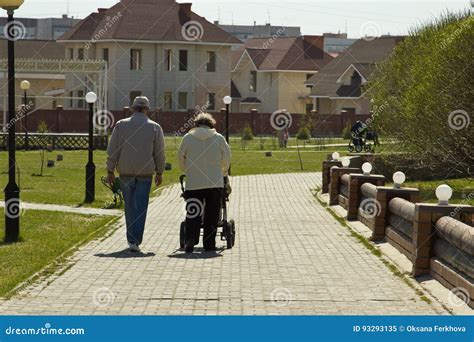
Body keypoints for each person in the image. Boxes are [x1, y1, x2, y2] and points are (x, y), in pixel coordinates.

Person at [106, 96, 166, 252]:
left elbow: (113, 150)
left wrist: (110, 170)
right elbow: (159, 153)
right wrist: (159, 172)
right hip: (145, 174)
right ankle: (135, 240)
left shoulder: (120, 125)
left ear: (132, 108)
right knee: (141, 207)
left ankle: (131, 238)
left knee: (130, 207)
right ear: (147, 109)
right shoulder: (155, 127)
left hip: (125, 173)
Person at [178, 113, 231, 253]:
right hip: (214, 182)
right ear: (211, 125)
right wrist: (223, 172)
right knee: (212, 213)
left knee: (193, 211)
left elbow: (180, 157)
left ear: (196, 124)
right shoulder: (219, 138)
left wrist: (187, 170)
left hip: (194, 182)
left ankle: (190, 239)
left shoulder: (188, 138)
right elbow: (227, 158)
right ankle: (209, 244)